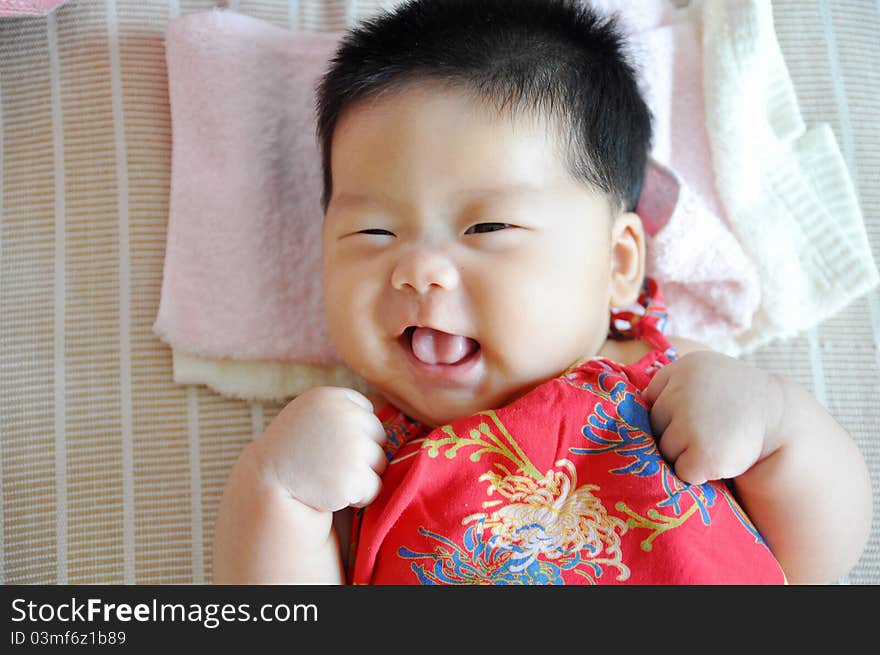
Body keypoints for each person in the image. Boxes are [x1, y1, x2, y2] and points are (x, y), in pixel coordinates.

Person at [212, 0, 871, 584]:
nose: (419, 271)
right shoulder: (362, 458)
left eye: (488, 225)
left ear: (617, 262)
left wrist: (776, 428)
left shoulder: (668, 384)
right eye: (373, 230)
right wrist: (280, 494)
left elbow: (819, 558)